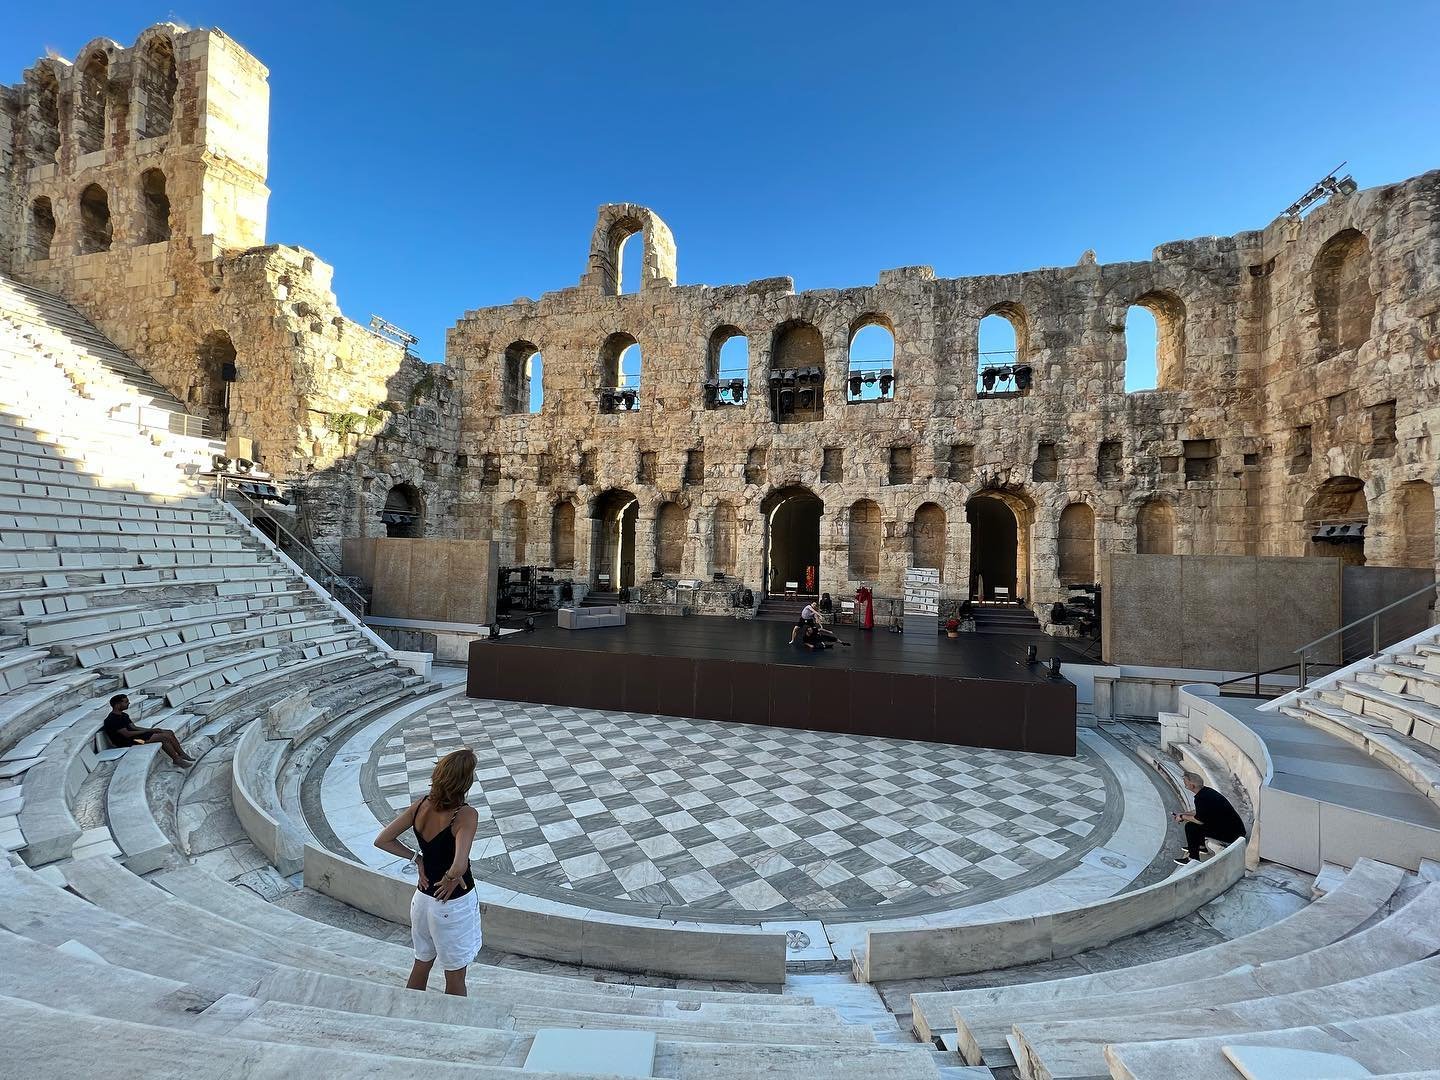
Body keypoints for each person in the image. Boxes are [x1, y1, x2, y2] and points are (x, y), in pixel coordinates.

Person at [374, 748, 481, 996]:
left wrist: (417, 858)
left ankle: (410, 1013)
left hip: (422, 900)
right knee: (455, 976)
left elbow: (383, 840)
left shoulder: (421, 805)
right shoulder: (465, 814)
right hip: (452, 904)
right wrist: (451, 877)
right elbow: (460, 864)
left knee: (421, 964)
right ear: (465, 781)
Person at [1172, 772, 1246, 864]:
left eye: (1186, 782)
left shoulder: (1201, 798)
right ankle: (1201, 847)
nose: (1184, 784)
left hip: (1232, 835)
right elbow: (1199, 812)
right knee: (1196, 823)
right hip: (1235, 830)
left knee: (1190, 827)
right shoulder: (1207, 791)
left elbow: (1199, 820)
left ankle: (1193, 859)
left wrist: (1182, 817)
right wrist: (1183, 814)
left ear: (1192, 785)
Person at [102, 694, 194, 766]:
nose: (129, 703)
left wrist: (151, 730)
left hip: (135, 737)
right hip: (129, 742)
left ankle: (181, 753)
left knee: (168, 732)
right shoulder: (112, 719)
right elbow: (127, 734)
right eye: (126, 702)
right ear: (117, 705)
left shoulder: (123, 715)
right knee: (163, 738)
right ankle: (176, 759)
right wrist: (148, 731)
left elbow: (134, 727)